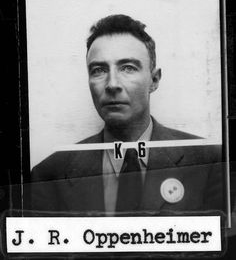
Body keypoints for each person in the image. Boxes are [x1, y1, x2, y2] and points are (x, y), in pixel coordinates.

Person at [30, 14, 223, 216]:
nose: (112, 84)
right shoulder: (49, 176)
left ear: (154, 80)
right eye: (99, 70)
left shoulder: (211, 163)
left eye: (128, 68)